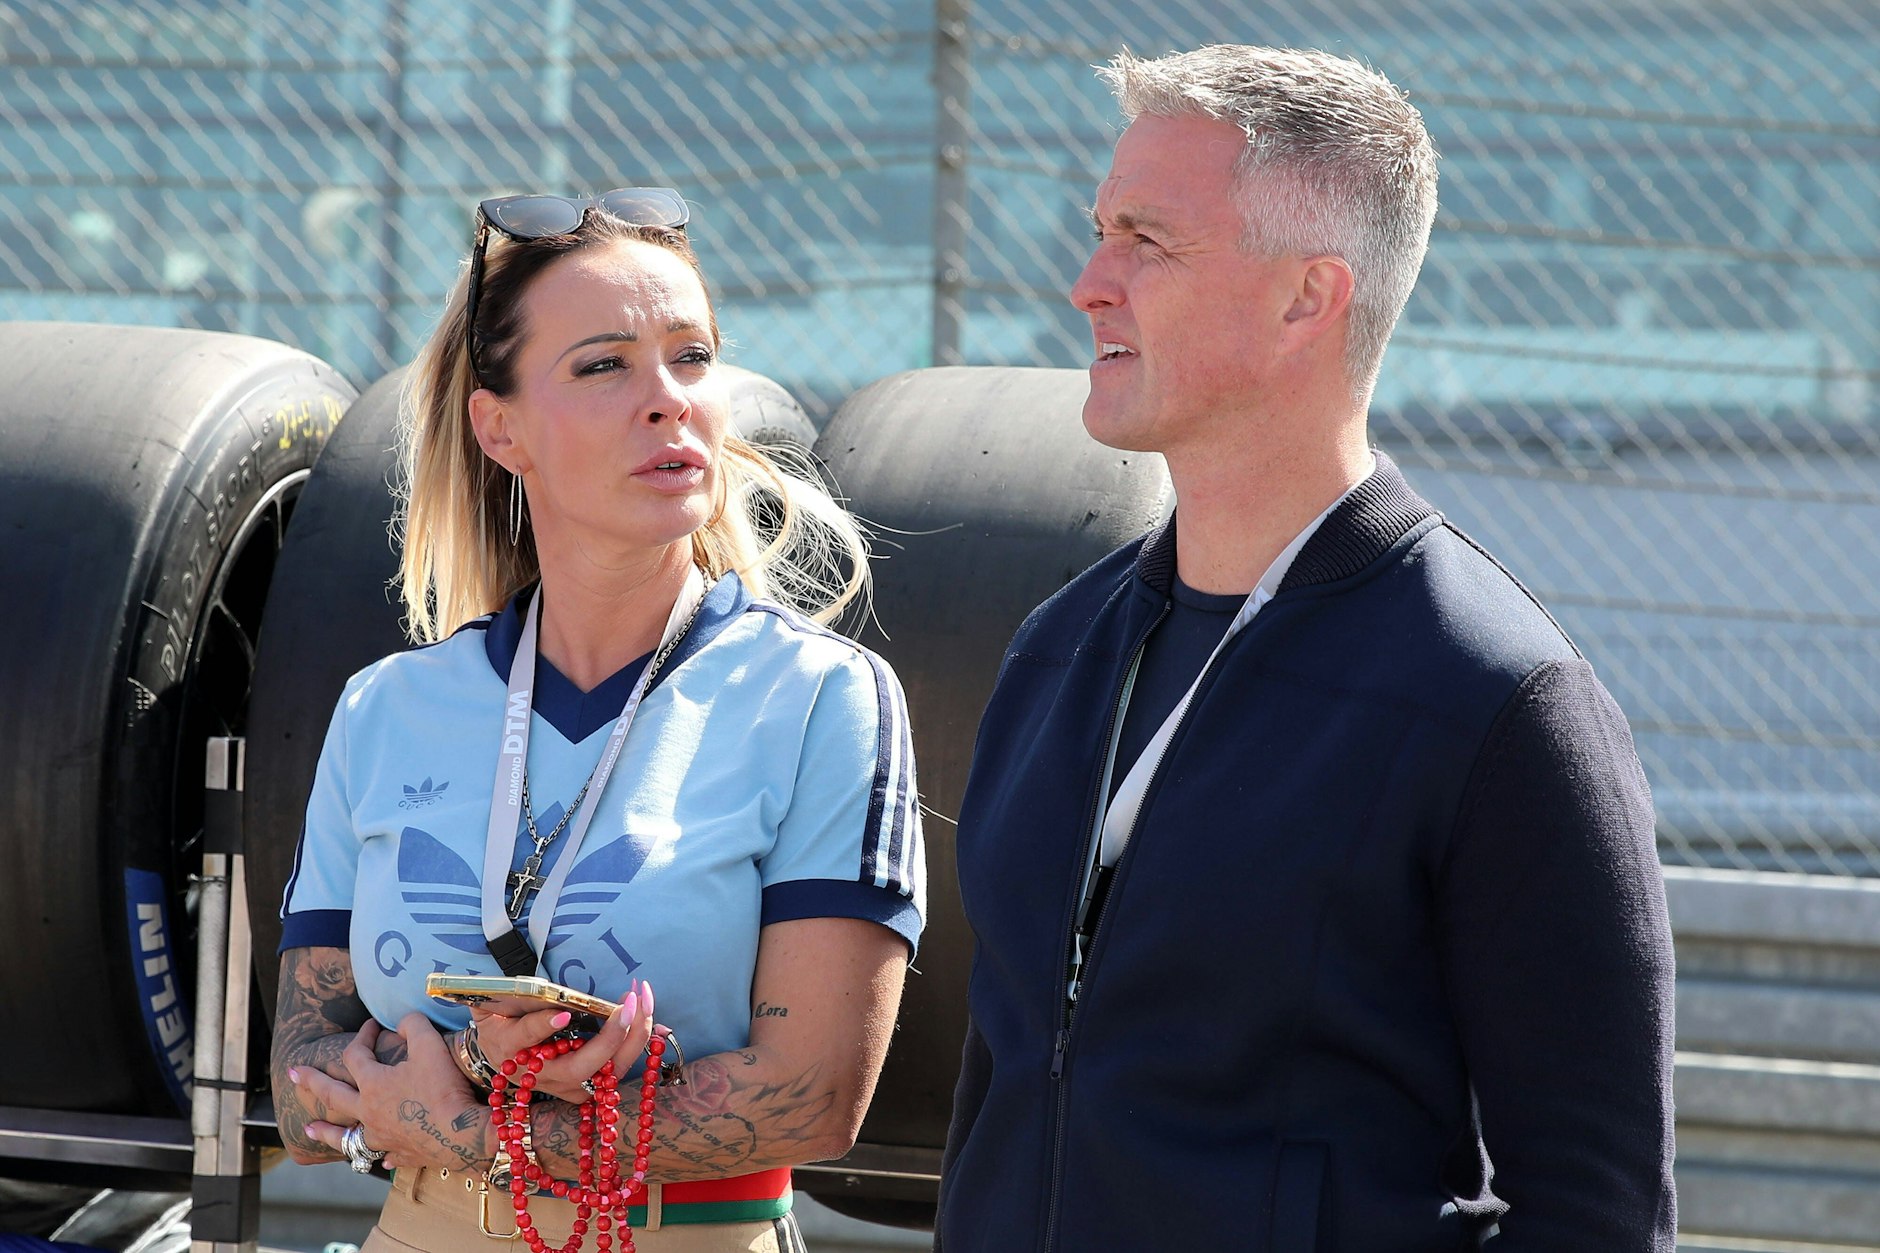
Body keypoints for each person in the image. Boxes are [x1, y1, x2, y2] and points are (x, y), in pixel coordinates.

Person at [937, 46, 1676, 1251]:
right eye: (1097, 230)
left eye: (1144, 239)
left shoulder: (1495, 697)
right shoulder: (1055, 650)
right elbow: (1005, 1085)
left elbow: (1596, 1207)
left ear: (1305, 298)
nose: (1086, 282)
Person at [269, 187, 924, 1252]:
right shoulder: (385, 705)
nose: (666, 399)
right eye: (604, 364)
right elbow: (300, 1082)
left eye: (692, 357)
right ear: (500, 426)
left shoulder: (820, 698)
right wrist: (478, 1063)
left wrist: (479, 1129)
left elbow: (810, 1098)